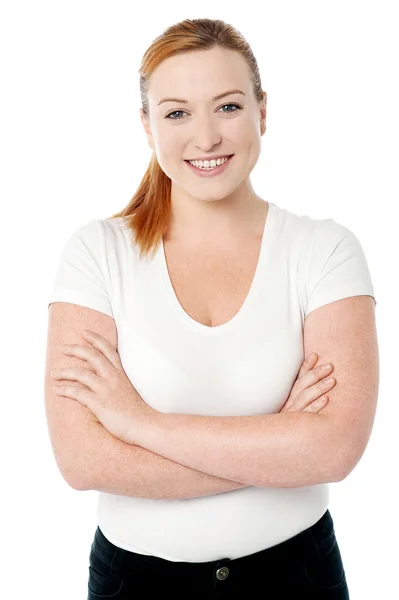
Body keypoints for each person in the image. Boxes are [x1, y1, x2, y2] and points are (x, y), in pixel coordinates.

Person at [46, 17, 378, 599]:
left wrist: (140, 426)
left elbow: (334, 449)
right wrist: (278, 444)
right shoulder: (97, 254)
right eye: (176, 112)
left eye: (227, 107)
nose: (205, 138)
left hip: (295, 576)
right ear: (147, 127)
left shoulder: (324, 250)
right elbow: (81, 460)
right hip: (136, 583)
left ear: (262, 112)